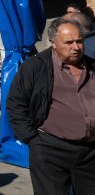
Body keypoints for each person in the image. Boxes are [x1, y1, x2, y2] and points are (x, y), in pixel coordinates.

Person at [7, 17, 95, 192]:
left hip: (90, 152)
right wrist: (32, 139)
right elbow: (16, 104)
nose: (76, 47)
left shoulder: (91, 66)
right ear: (53, 43)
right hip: (50, 149)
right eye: (69, 42)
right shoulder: (35, 66)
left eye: (79, 41)